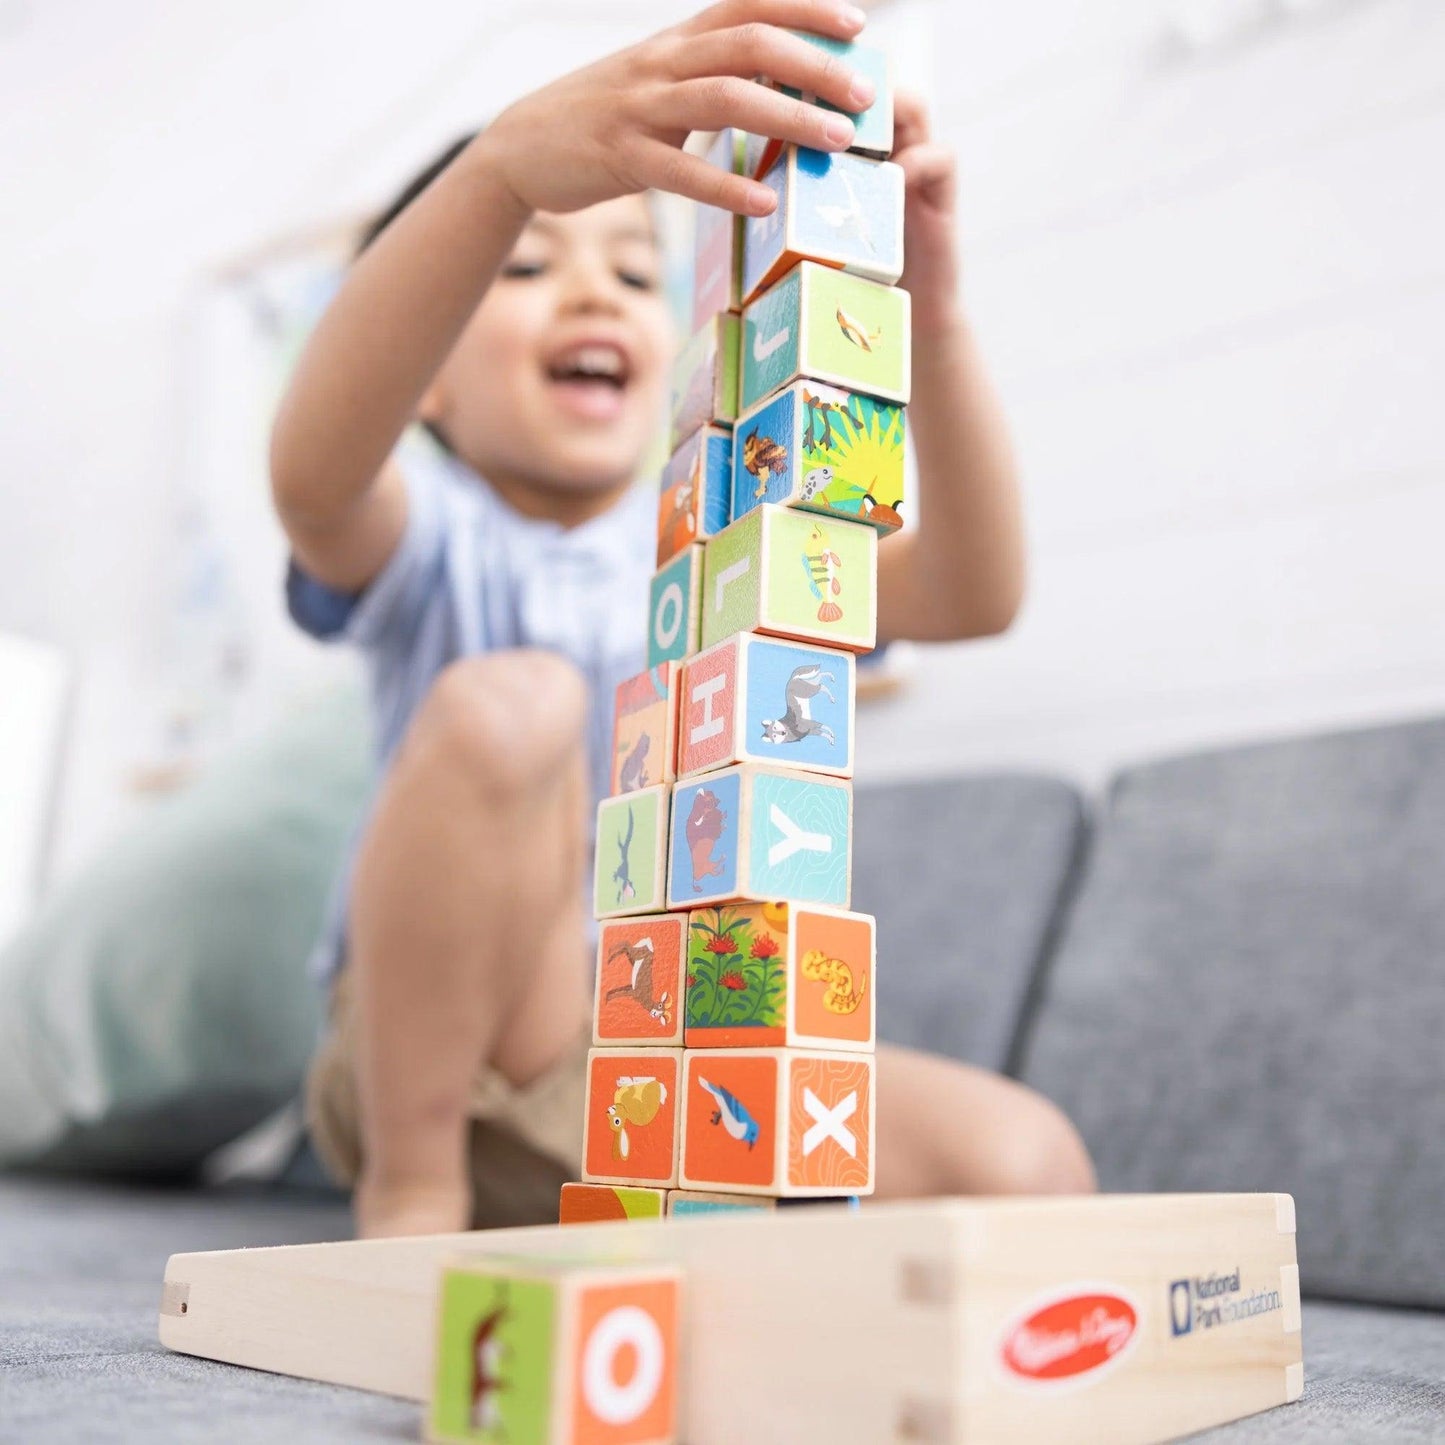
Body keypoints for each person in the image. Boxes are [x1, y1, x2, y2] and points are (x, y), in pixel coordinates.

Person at [270, 0, 1095, 1240]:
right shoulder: (429, 537)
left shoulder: (730, 536)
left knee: (1028, 1161)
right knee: (519, 701)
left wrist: (930, 323)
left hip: (658, 1045)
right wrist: (496, 177)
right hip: (434, 1050)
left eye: (634, 267)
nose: (591, 290)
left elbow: (977, 593)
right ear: (429, 372)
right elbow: (313, 475)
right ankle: (416, 1184)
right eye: (527, 266)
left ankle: (658, 1212)